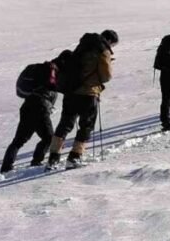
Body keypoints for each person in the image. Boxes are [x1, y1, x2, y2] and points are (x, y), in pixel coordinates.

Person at [45, 29, 118, 170]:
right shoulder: (103, 50)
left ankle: (53, 159)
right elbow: (106, 77)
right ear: (109, 41)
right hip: (89, 94)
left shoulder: (82, 46)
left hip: (71, 92)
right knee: (86, 126)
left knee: (65, 124)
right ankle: (74, 157)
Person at [0, 50, 73, 173]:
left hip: (28, 106)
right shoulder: (56, 71)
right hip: (41, 107)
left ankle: (6, 167)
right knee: (49, 138)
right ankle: (36, 161)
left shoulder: (45, 68)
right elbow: (62, 87)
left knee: (19, 140)